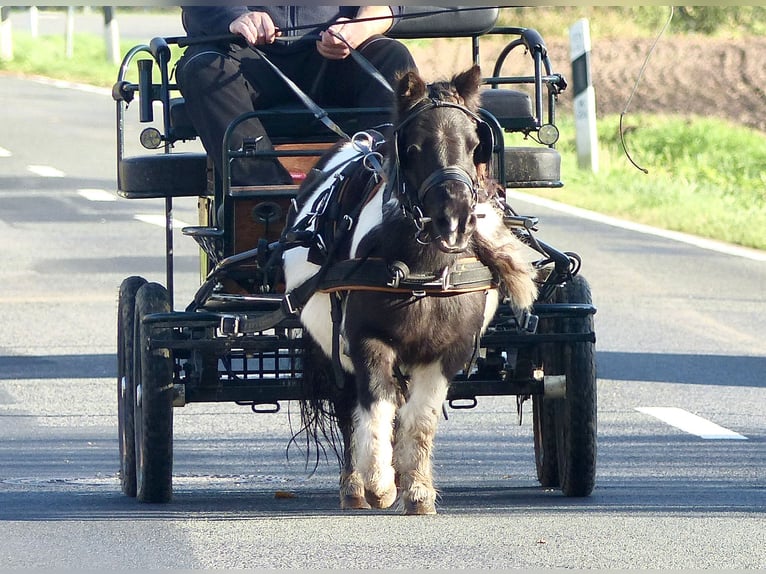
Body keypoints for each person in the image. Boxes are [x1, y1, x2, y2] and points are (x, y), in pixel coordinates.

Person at [176, 6, 418, 186]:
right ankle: (266, 194)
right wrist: (235, 17)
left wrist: (360, 26)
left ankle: (377, 185)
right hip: (245, 56)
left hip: (336, 55)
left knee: (392, 57)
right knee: (203, 66)